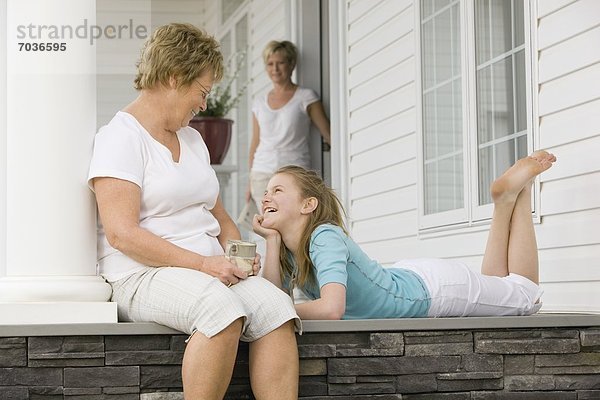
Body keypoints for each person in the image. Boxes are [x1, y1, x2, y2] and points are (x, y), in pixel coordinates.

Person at [87, 23, 299, 399]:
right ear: (173, 78)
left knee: (277, 308)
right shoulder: (120, 138)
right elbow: (122, 234)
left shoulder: (194, 139)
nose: (203, 104)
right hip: (140, 274)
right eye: (201, 92)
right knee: (220, 309)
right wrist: (205, 265)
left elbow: (220, 218)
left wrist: (235, 255)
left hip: (208, 270)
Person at [252, 151, 557, 320]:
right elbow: (271, 299)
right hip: (411, 280)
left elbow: (332, 309)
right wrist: (271, 241)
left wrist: (275, 310)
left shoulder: (323, 237)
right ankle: (505, 200)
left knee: (525, 295)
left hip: (432, 291)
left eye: (277, 190)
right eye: (266, 192)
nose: (266, 197)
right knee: (498, 285)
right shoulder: (292, 248)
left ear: (309, 205)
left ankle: (522, 191)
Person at [246, 40, 331, 213]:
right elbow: (255, 142)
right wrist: (249, 182)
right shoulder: (259, 103)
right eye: (270, 64)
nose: (275, 69)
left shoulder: (306, 97)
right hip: (262, 173)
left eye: (281, 63)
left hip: (295, 172)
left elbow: (328, 133)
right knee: (269, 227)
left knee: (295, 225)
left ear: (292, 64)